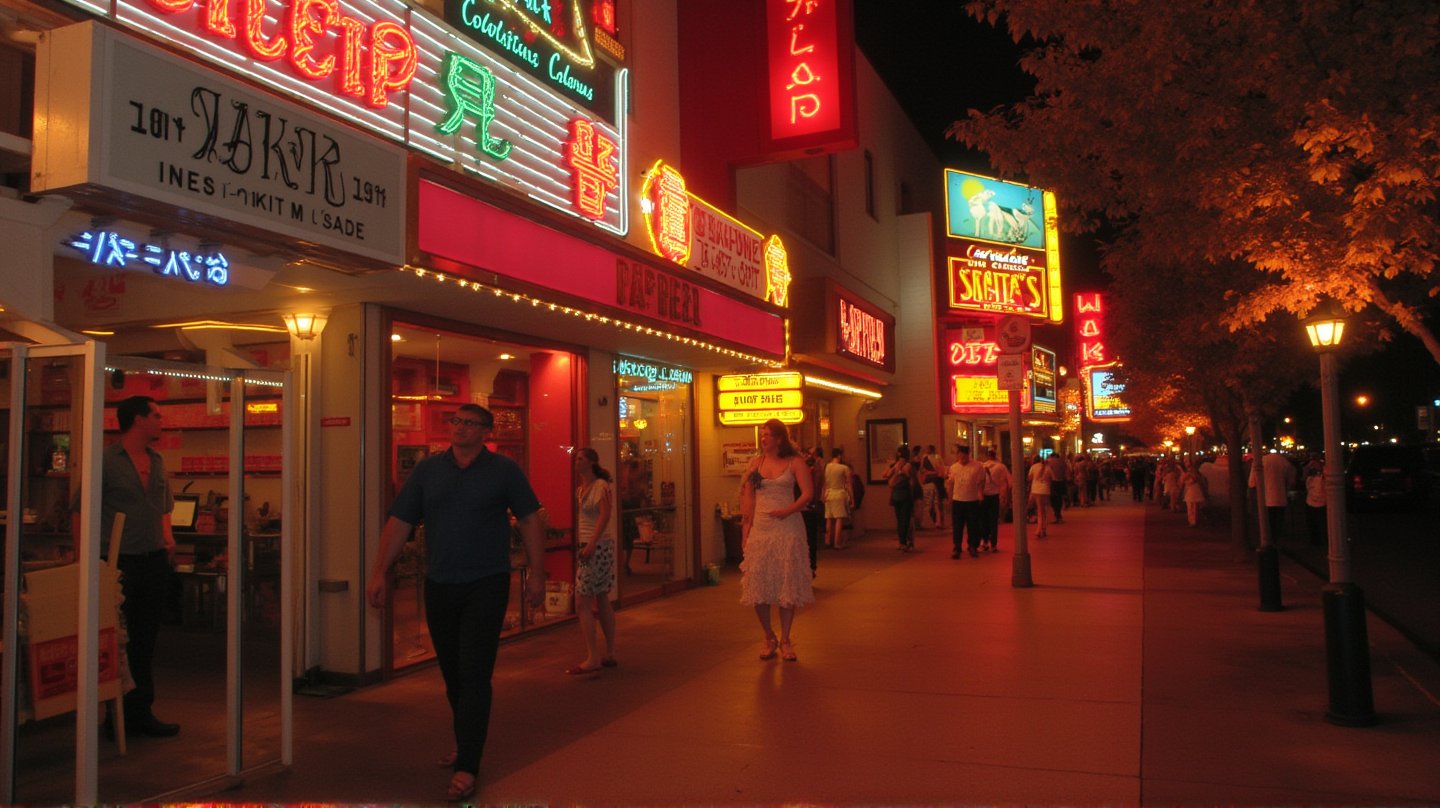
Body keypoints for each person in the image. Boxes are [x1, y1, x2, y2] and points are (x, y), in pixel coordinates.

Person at [366, 404, 545, 802]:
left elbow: (530, 519)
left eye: (469, 423)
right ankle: (466, 739)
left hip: (487, 582)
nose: (460, 428)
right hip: (440, 583)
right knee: (453, 674)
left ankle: (469, 764)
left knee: (475, 671)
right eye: (456, 422)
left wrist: (537, 572)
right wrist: (380, 570)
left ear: (485, 432)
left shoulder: (503, 471)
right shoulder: (429, 470)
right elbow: (400, 521)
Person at [94, 395, 181, 739]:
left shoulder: (157, 461)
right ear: (138, 420)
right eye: (156, 415)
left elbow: (163, 506)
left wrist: (167, 538)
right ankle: (113, 714)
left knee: (145, 638)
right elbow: (81, 509)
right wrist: (86, 560)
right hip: (119, 562)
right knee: (117, 640)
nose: (162, 421)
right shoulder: (105, 461)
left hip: (152, 560)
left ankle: (140, 710)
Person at [738, 419, 815, 662]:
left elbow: (808, 493)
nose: (763, 438)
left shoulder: (795, 462)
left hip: (788, 527)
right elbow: (748, 498)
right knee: (759, 584)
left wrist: (789, 510)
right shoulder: (756, 463)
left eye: (768, 435)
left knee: (785, 583)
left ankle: (786, 639)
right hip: (761, 529)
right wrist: (745, 531)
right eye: (762, 434)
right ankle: (768, 635)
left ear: (780, 439)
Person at [569, 447, 617, 676]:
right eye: (576, 458)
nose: (576, 462)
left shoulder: (599, 486)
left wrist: (591, 543)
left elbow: (605, 515)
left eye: (580, 459)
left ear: (591, 462)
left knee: (582, 602)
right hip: (594, 546)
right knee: (601, 597)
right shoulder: (581, 489)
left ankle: (593, 656)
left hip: (596, 547)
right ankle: (609, 651)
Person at [946, 445, 986, 558]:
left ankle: (973, 546)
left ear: (968, 455)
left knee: (973, 525)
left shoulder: (977, 466)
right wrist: (950, 498)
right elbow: (951, 483)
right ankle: (957, 546)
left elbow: (981, 482)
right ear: (958, 455)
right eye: (960, 456)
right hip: (958, 499)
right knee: (957, 525)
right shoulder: (954, 467)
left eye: (964, 456)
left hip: (972, 500)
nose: (962, 459)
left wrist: (980, 495)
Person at [1248, 451, 1296, 542]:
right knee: (1278, 522)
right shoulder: (1285, 462)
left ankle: (1267, 542)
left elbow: (1251, 483)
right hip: (1281, 498)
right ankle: (1276, 540)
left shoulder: (1259, 462)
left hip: (1264, 499)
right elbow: (1291, 481)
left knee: (1266, 523)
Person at [883, 446, 917, 551]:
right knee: (906, 519)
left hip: (896, 495)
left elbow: (885, 475)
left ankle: (902, 542)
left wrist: (894, 470)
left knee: (900, 520)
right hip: (905, 495)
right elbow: (912, 481)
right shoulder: (908, 466)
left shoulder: (895, 465)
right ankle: (906, 542)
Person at [822, 448, 853, 550]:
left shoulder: (826, 467)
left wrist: (823, 494)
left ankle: (827, 540)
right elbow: (848, 484)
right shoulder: (844, 468)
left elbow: (825, 483)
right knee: (839, 518)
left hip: (828, 493)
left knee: (829, 519)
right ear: (839, 456)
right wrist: (852, 498)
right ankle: (837, 542)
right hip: (839, 493)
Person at [980, 448, 1011, 552]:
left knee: (984, 520)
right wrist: (1005, 495)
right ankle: (993, 544)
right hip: (995, 496)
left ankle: (984, 542)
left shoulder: (982, 466)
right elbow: (1009, 482)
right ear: (995, 455)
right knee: (993, 520)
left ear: (987, 455)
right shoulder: (1001, 467)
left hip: (983, 496)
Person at [921, 444, 945, 529]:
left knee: (937, 501)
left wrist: (929, 473)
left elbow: (939, 471)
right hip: (929, 480)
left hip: (936, 481)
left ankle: (939, 521)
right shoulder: (925, 457)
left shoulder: (937, 457)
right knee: (932, 501)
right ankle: (936, 521)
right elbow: (922, 470)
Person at [1026, 455, 1051, 538]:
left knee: (1039, 510)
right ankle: (1043, 529)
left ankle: (1039, 529)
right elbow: (1052, 478)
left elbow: (1029, 478)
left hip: (1036, 490)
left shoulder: (1033, 467)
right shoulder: (1048, 467)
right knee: (1044, 510)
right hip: (1046, 489)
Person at [1303, 456, 1326, 546]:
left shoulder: (1324, 473)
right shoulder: (1310, 476)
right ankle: (1315, 542)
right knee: (1312, 524)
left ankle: (1322, 541)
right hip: (1311, 501)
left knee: (1321, 524)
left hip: (1322, 502)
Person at [1181, 460, 1208, 527]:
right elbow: (1183, 482)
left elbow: (1194, 481)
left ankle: (1194, 521)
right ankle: (1191, 521)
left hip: (1195, 491)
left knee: (1195, 508)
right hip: (1189, 492)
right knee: (1190, 507)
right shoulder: (1186, 474)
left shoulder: (1197, 474)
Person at [1045, 452, 1069, 524]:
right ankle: (1059, 515)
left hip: (1053, 483)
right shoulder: (1063, 462)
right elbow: (1067, 472)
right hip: (1061, 482)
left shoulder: (1049, 462)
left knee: (1053, 499)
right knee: (1059, 499)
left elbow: (1047, 474)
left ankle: (1056, 515)